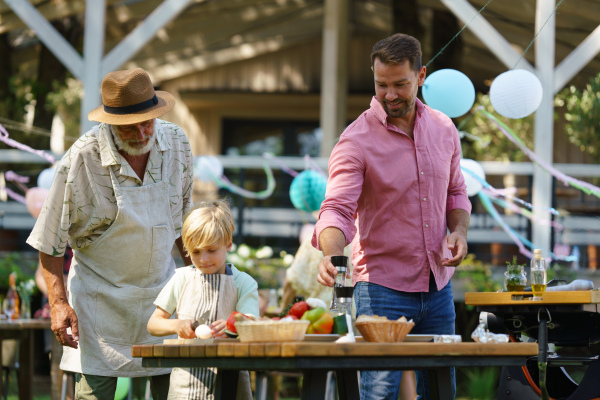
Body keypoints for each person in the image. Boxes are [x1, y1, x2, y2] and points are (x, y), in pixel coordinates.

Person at [314, 33, 471, 400]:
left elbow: (456, 192)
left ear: (421, 76)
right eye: (381, 84)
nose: (389, 95)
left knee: (440, 392)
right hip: (381, 290)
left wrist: (459, 231)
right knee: (378, 394)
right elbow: (336, 209)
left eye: (400, 84)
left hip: (438, 287)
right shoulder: (355, 140)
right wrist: (331, 255)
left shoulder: (445, 129)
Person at [26, 67, 194, 399]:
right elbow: (49, 240)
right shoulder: (81, 159)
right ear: (110, 123)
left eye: (148, 121)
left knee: (178, 393)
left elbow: (185, 225)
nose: (143, 132)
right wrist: (58, 303)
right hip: (98, 306)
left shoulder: (176, 142)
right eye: (130, 127)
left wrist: (200, 283)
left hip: (164, 301)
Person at [148, 199, 259, 399]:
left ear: (228, 243)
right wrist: (176, 325)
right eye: (196, 252)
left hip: (231, 384)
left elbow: (252, 325)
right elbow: (153, 324)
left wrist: (233, 328)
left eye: (211, 250)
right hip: (186, 383)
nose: (203, 259)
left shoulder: (243, 283)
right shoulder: (181, 278)